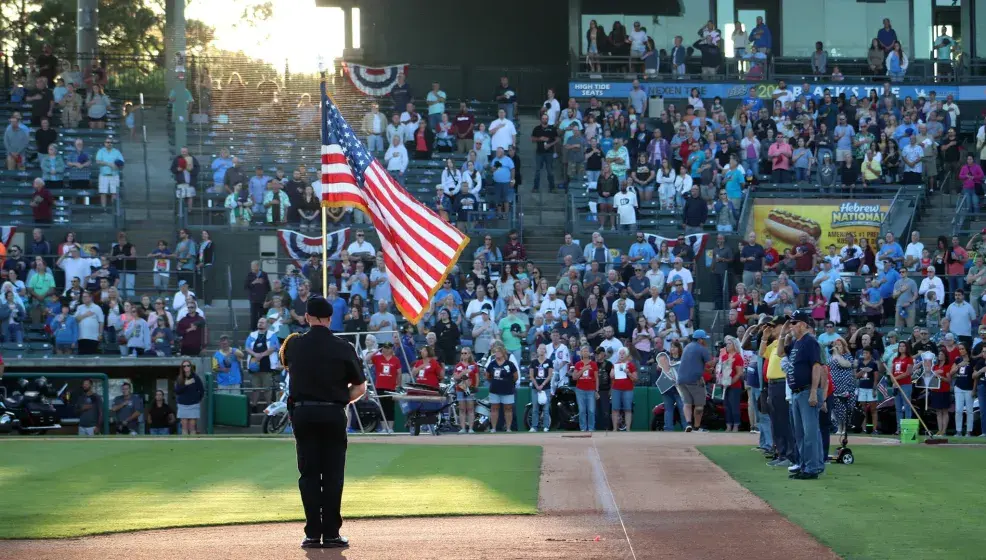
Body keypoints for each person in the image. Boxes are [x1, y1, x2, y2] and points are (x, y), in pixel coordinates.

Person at [279, 296, 366, 549]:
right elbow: (360, 387)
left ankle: (311, 533)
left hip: (304, 414)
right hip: (333, 413)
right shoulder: (344, 346)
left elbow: (288, 368)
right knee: (332, 474)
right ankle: (331, 534)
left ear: (307, 317)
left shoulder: (293, 345)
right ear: (330, 318)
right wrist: (339, 402)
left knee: (308, 474)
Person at [777, 310, 824, 480]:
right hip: (797, 393)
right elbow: (780, 353)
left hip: (806, 391)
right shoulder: (797, 343)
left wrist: (813, 392)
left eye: (794, 323)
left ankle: (812, 468)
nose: (791, 326)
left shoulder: (810, 342)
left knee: (809, 432)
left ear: (803, 324)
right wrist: (782, 333)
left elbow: (817, 366)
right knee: (800, 434)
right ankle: (806, 465)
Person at [676, 329, 712, 432]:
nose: (705, 341)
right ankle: (696, 427)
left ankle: (688, 424)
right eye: (704, 339)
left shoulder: (687, 347)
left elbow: (694, 363)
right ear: (700, 340)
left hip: (681, 380)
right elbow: (709, 364)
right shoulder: (702, 348)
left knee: (687, 403)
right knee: (699, 406)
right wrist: (718, 360)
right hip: (694, 380)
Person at [486, 342, 519, 433]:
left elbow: (516, 376)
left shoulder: (510, 364)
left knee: (508, 408)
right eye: (496, 352)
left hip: (507, 390)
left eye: (499, 352)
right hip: (494, 390)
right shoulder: (492, 364)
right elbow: (487, 375)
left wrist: (509, 383)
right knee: (494, 408)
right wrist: (494, 382)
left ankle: (508, 428)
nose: (497, 354)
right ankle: (493, 428)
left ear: (503, 353)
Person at [570, 346, 599, 432]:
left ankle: (591, 428)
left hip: (591, 390)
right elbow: (574, 377)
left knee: (591, 410)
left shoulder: (593, 364)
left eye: (587, 351)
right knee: (582, 410)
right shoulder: (578, 364)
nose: (585, 352)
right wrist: (582, 370)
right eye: (584, 351)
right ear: (581, 353)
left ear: (589, 353)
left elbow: (596, 378)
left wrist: (596, 390)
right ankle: (583, 428)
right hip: (580, 390)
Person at [452, 347, 480, 434]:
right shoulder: (458, 365)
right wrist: (463, 373)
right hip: (460, 389)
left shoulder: (474, 365)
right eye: (462, 353)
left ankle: (471, 428)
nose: (463, 355)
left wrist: (474, 388)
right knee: (462, 409)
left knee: (470, 409)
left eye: (465, 353)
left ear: (469, 354)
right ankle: (463, 428)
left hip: (470, 390)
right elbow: (455, 377)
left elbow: (477, 378)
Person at [174, 361, 204, 435]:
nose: (186, 367)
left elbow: (202, 390)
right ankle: (185, 443)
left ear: (191, 367)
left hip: (194, 404)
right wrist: (185, 384)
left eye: (188, 365)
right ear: (182, 368)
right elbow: (177, 391)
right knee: (184, 426)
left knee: (192, 426)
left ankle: (193, 443)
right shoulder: (179, 378)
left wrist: (197, 399)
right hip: (182, 404)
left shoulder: (196, 377)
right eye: (184, 366)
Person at [529, 344, 553, 432]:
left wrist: (542, 385)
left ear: (545, 351)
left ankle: (546, 426)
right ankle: (534, 426)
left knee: (546, 409)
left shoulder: (549, 362)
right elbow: (531, 376)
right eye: (540, 349)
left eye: (544, 349)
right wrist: (537, 385)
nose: (542, 350)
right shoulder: (533, 362)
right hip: (535, 388)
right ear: (537, 350)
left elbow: (550, 375)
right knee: (535, 408)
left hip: (546, 388)